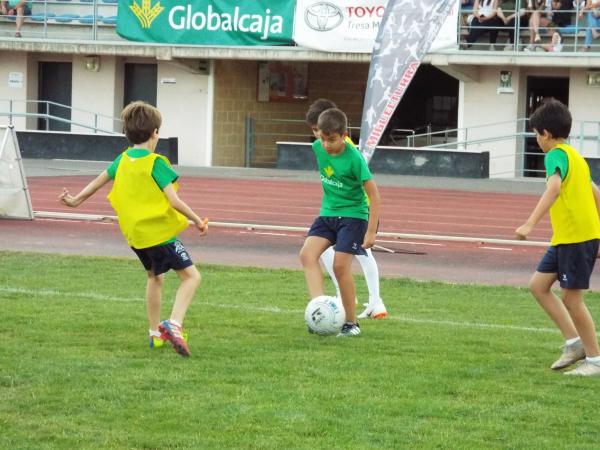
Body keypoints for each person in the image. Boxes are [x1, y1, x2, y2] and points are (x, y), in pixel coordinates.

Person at [58, 101, 208, 357]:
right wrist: (196, 220)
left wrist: (75, 200)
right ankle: (174, 324)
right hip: (159, 235)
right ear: (155, 133)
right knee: (192, 277)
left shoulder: (122, 160)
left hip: (136, 237)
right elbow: (174, 200)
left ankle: (154, 334)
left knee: (154, 277)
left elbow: (97, 182)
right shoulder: (156, 163)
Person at [515, 98, 600, 376]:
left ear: (546, 134)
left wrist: (529, 224)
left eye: (536, 134)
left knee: (572, 299)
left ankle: (595, 361)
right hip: (568, 237)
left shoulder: (554, 155)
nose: (536, 140)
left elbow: (552, 189)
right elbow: (595, 192)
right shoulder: (576, 157)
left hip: (576, 237)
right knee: (538, 285)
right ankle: (574, 343)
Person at [299, 107, 381, 337]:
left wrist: (371, 232)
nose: (326, 144)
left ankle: (351, 323)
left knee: (339, 265)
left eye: (332, 140)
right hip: (328, 213)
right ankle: (319, 311)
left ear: (345, 134)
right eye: (322, 138)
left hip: (353, 216)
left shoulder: (355, 158)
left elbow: (374, 196)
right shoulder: (318, 147)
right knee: (307, 255)